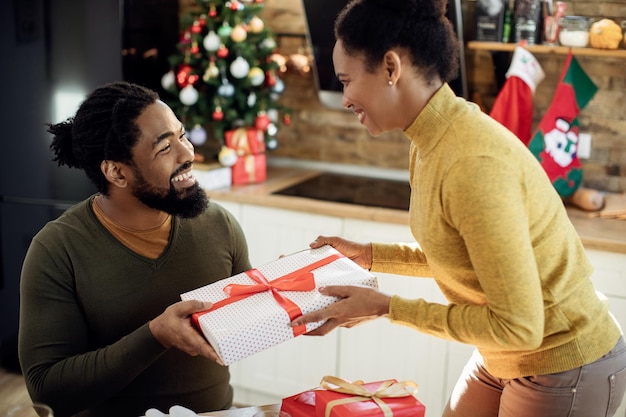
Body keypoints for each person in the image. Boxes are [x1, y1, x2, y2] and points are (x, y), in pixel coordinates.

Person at [290, 0, 626, 416]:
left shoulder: (471, 163)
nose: (344, 98)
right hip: (504, 351)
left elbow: (520, 326)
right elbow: (461, 255)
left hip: (562, 358)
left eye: (347, 81)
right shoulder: (429, 138)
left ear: (392, 68)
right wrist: (370, 255)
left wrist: (386, 307)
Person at [18, 81, 251, 417]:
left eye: (182, 136)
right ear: (116, 172)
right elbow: (48, 390)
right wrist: (156, 335)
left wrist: (282, 287)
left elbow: (245, 321)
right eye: (165, 148)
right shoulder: (57, 250)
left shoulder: (218, 223)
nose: (189, 154)